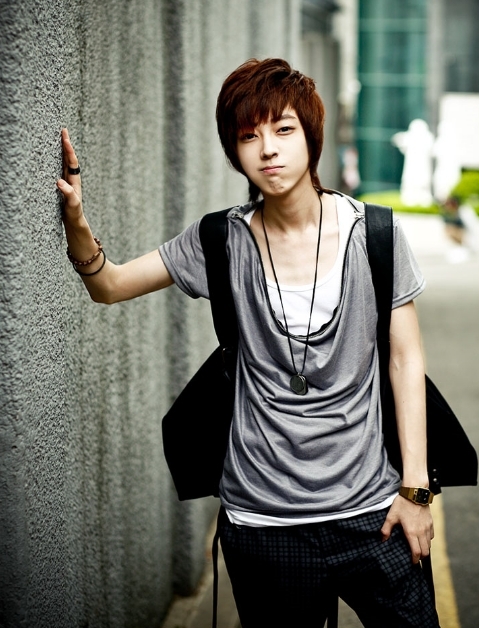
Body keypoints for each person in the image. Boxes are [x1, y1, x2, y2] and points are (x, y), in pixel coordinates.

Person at [57, 58, 439, 628]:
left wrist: (415, 492)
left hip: (376, 513)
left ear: (311, 135)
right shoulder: (220, 240)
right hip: (264, 525)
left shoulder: (377, 235)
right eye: (248, 136)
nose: (268, 149)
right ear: (234, 152)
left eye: (283, 129)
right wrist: (76, 221)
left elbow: (406, 361)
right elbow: (109, 286)